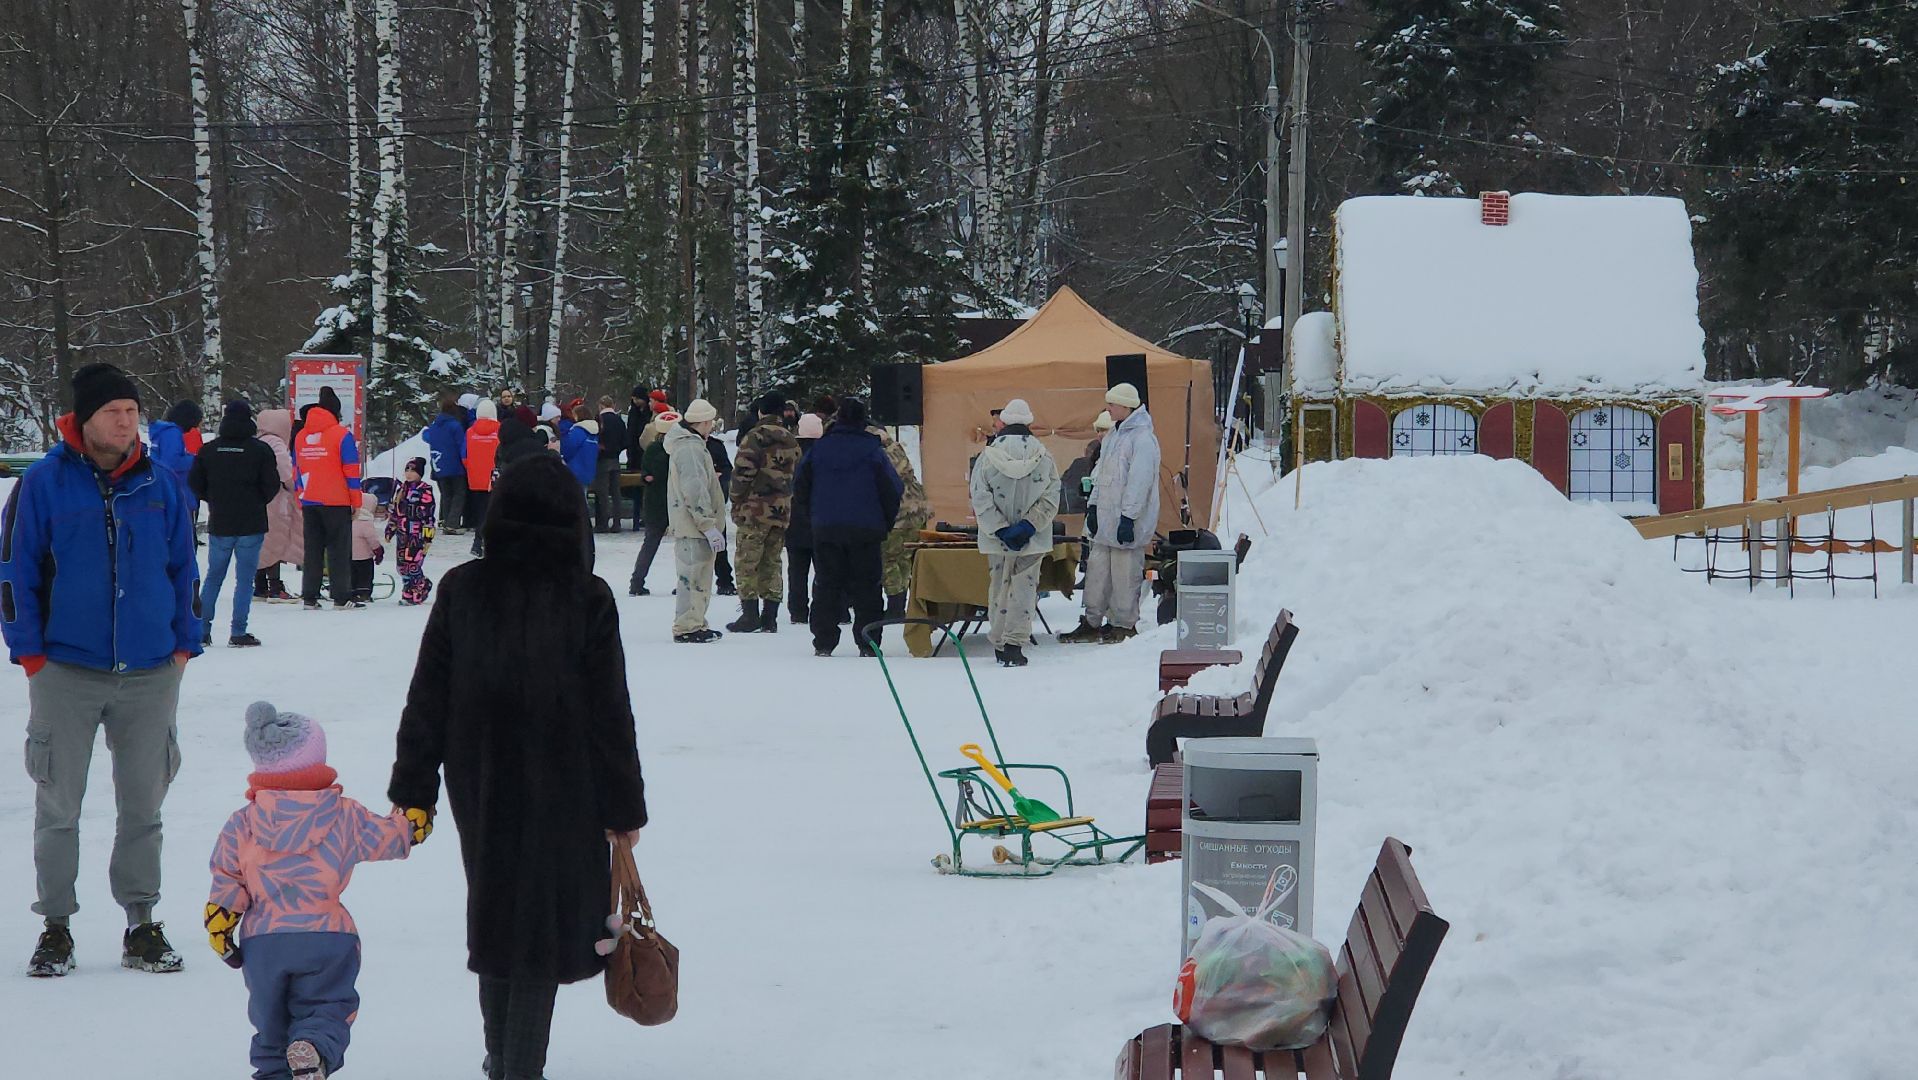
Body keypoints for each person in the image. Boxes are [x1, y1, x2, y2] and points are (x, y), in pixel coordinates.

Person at [387, 453, 646, 1080]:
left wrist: (415, 785)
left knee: (499, 909)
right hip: (570, 784)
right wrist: (622, 808)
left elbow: (429, 694)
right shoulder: (588, 596)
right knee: (542, 924)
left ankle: (503, 1058)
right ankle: (516, 1066)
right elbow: (609, 709)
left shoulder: (464, 587)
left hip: (480, 777)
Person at [1, 362, 200, 977]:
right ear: (84, 421)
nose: (127, 420)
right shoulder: (42, 484)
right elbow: (14, 571)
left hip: (149, 671)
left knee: (144, 805)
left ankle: (141, 923)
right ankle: (55, 925)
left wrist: (184, 643)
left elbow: (185, 571)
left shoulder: (162, 484)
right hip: (66, 669)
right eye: (114, 411)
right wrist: (31, 652)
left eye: (133, 411)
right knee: (59, 804)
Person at [206, 701, 424, 1080]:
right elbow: (392, 839)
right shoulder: (345, 814)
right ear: (316, 765)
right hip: (327, 938)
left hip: (264, 943)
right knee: (328, 1005)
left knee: (270, 1026)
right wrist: (412, 819)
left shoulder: (243, 822)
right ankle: (312, 1045)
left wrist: (220, 922)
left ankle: (276, 1069)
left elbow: (227, 875)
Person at [793, 398, 901, 657]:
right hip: (866, 529)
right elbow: (893, 489)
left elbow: (800, 486)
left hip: (827, 528)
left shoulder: (819, 449)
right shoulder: (873, 451)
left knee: (826, 584)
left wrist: (815, 518)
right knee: (868, 586)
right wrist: (884, 522)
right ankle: (868, 641)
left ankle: (824, 641)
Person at [1061, 383, 1160, 644]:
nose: (1108, 408)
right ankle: (1092, 621)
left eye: (1113, 404)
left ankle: (1124, 623)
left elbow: (1140, 482)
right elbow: (1101, 475)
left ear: (1127, 405)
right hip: (1105, 521)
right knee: (1097, 573)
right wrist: (1093, 506)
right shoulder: (1114, 436)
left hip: (1125, 521)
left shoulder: (1143, 440)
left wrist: (1129, 517)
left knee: (1125, 573)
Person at [969, 398, 1060, 667]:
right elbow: (1051, 495)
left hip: (997, 539)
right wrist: (1029, 525)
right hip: (1032, 538)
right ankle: (1014, 643)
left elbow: (980, 496)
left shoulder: (988, 456)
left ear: (1004, 422)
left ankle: (998, 640)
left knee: (999, 585)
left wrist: (999, 528)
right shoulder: (1044, 456)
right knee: (1025, 587)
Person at [189, 400, 281, 648]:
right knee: (244, 579)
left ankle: (201, 630)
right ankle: (238, 631)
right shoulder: (260, 450)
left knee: (214, 577)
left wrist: (215, 498)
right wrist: (257, 500)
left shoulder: (209, 450)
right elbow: (271, 485)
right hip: (251, 521)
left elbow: (195, 483)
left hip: (221, 521)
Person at [725, 393, 800, 634]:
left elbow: (742, 473)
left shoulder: (754, 437)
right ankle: (770, 616)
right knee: (773, 561)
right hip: (781, 510)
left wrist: (736, 500)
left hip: (754, 510)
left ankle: (749, 615)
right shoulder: (791, 439)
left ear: (760, 411)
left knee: (747, 561)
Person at [666, 400, 727, 643]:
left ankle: (695, 622)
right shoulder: (690, 449)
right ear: (702, 422)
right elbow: (695, 489)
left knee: (697, 576)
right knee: (693, 576)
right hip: (694, 527)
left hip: (692, 525)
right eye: (710, 421)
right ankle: (688, 626)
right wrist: (707, 524)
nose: (711, 426)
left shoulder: (689, 446)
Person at [295, 398, 364, 610]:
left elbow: (296, 468)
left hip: (310, 499)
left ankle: (309, 596)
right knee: (338, 549)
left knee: (313, 549)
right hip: (337, 500)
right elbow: (351, 470)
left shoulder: (301, 436)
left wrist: (301, 495)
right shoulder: (342, 435)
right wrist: (356, 501)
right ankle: (341, 596)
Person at [874, 425, 931, 619]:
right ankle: (900, 602)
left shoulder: (878, 453)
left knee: (888, 559)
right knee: (905, 559)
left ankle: (894, 605)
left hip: (897, 515)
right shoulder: (896, 447)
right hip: (917, 510)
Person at [627, 411, 677, 597]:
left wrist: (648, 477)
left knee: (650, 543)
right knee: (683, 545)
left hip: (654, 501)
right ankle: (684, 581)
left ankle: (637, 581)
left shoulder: (652, 449)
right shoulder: (676, 450)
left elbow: (648, 473)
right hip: (674, 500)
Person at [254, 408, 301, 603]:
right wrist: (295, 488)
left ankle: (259, 586)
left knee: (260, 543)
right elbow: (285, 470)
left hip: (257, 498)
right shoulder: (276, 443)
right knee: (274, 541)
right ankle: (275, 587)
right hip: (275, 498)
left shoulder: (257, 441)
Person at [784, 413, 824, 625]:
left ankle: (797, 611)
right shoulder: (825, 454)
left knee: (796, 569)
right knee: (824, 569)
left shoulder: (790, 453)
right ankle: (823, 608)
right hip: (819, 520)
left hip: (794, 519)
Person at [386, 458, 437, 605]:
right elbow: (394, 511)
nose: (409, 473)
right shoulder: (401, 489)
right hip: (402, 533)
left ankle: (419, 588)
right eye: (407, 470)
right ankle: (407, 589)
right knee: (401, 565)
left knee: (413, 563)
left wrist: (428, 537)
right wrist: (390, 528)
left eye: (413, 470)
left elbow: (428, 515)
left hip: (417, 534)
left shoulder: (425, 489)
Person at [425, 394, 469, 535]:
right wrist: (465, 462)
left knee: (446, 494)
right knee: (459, 493)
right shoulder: (455, 426)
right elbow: (462, 445)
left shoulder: (435, 425)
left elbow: (425, 436)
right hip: (455, 465)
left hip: (439, 465)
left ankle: (444, 520)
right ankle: (452, 524)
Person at [465, 399, 502, 556]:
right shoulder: (500, 430)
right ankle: (489, 544)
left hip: (475, 478)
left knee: (480, 511)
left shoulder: (469, 432)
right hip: (494, 478)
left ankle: (477, 542)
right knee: (494, 511)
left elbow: (464, 455)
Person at [147, 399, 205, 498]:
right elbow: (171, 463)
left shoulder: (164, 432)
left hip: (163, 487)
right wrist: (196, 459)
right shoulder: (172, 433)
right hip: (173, 490)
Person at [706, 421, 737, 597]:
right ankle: (689, 580)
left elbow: (727, 468)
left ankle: (725, 580)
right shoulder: (687, 446)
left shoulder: (716, 446)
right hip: (694, 502)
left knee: (719, 543)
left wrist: (720, 475)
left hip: (715, 500)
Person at [593, 396, 629, 533]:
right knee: (615, 493)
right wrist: (616, 450)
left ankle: (603, 524)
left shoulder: (599, 419)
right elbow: (625, 441)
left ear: (601, 405)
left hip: (602, 460)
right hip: (615, 460)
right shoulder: (619, 420)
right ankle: (617, 523)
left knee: (602, 493)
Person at [350, 493, 386, 604]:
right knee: (365, 575)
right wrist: (378, 550)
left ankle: (351, 591)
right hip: (364, 556)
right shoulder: (365, 522)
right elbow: (372, 539)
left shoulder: (348, 520)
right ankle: (364, 593)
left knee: (352, 575)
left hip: (348, 555)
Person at [561, 404, 600, 489]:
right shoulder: (595, 433)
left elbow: (568, 449)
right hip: (589, 470)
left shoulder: (578, 431)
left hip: (575, 470)